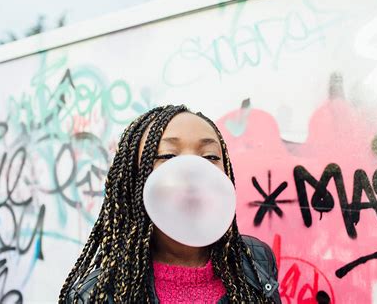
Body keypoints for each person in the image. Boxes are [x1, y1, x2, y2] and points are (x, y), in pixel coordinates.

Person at [59, 105, 281, 303]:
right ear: (134, 178)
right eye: (168, 155)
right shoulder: (95, 295)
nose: (193, 169)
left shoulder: (255, 259)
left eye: (211, 157)